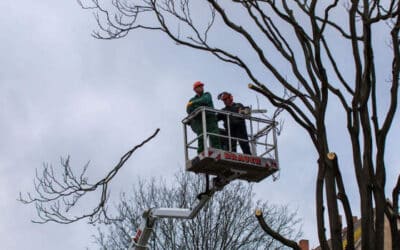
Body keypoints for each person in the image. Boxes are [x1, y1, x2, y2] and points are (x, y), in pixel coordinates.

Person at [186, 81, 220, 153]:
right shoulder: (192, 99)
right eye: (199, 86)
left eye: (201, 86)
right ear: (195, 89)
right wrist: (194, 105)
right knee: (201, 138)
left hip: (210, 119)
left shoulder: (207, 95)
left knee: (214, 136)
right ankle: (201, 153)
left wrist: (194, 104)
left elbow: (205, 100)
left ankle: (217, 152)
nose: (201, 87)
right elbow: (189, 110)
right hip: (201, 121)